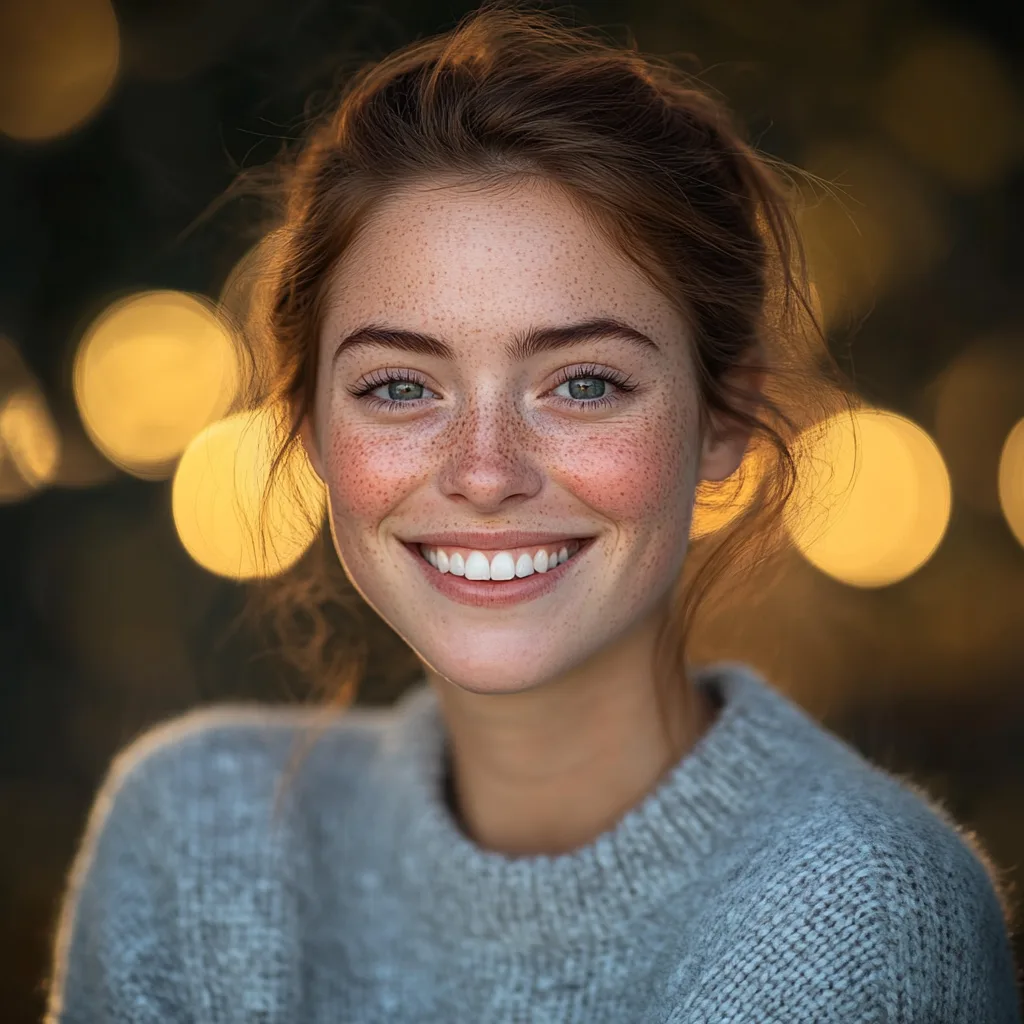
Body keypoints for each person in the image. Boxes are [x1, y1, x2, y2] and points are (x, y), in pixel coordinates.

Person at [45, 4, 1021, 1021]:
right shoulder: (193, 835)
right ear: (310, 428)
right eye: (399, 387)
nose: (484, 473)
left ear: (723, 418)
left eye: (584, 384)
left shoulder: (866, 904)